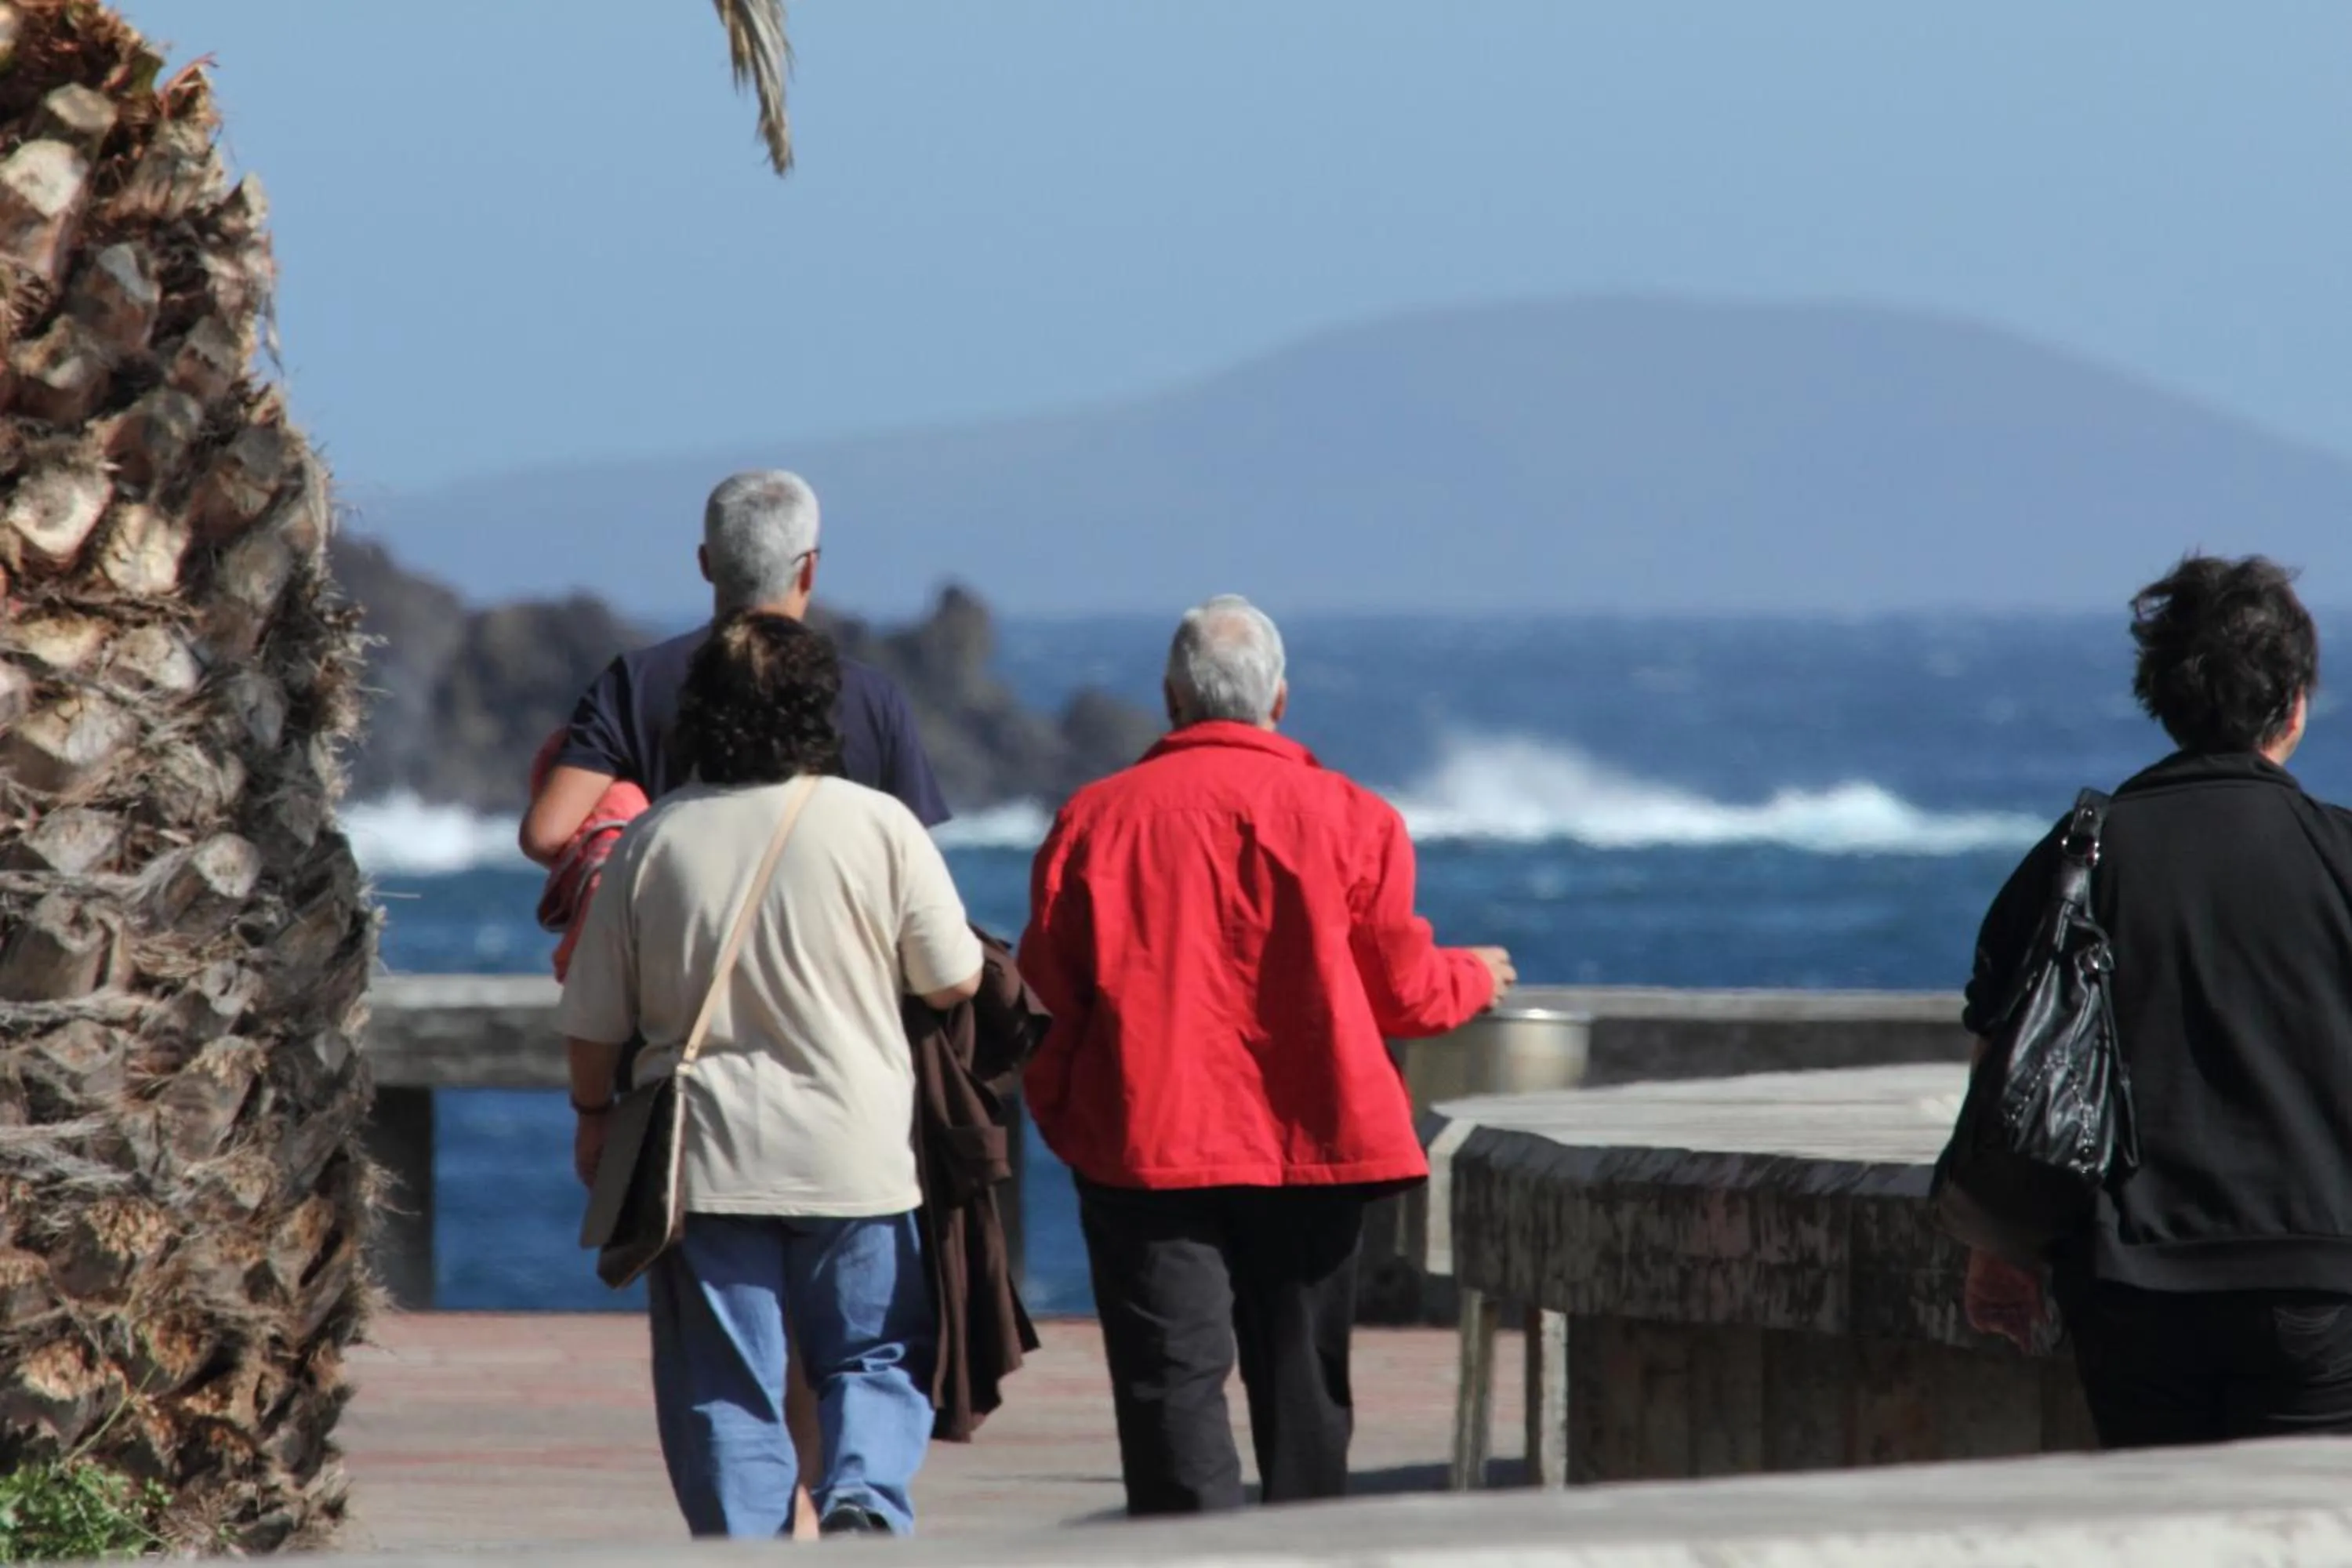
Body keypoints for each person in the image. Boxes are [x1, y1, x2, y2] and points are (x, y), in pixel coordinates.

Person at [520, 468, 949, 1533]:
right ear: (810, 571)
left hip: (703, 1135)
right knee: (866, 1348)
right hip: (852, 1119)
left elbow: (558, 878)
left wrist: (593, 1120)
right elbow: (938, 956)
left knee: (727, 1372)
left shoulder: (654, 790)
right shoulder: (876, 736)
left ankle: (757, 1538)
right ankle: (855, 1501)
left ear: (706, 564)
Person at [1018, 595, 1514, 1515]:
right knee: (1305, 1389)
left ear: (1172, 698)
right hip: (1312, 1142)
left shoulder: (1095, 819)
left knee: (1171, 1389)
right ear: (1278, 701)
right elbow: (1404, 993)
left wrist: (1072, 1122)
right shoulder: (1356, 818)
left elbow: (1045, 1006)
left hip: (1146, 1145)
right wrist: (1476, 976)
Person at [1962, 554, 2352, 1446]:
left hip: (2132, 1285)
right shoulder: (2339, 854)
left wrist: (1999, 1243)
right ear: (2293, 704)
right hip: (2318, 1278)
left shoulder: (2078, 856)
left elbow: (2006, 1063)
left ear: (2163, 698)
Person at [520, 468, 949, 866]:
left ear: (705, 563)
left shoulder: (632, 683)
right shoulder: (874, 697)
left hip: (680, 940)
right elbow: (916, 865)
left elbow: (547, 834)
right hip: (834, 943)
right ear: (810, 570)